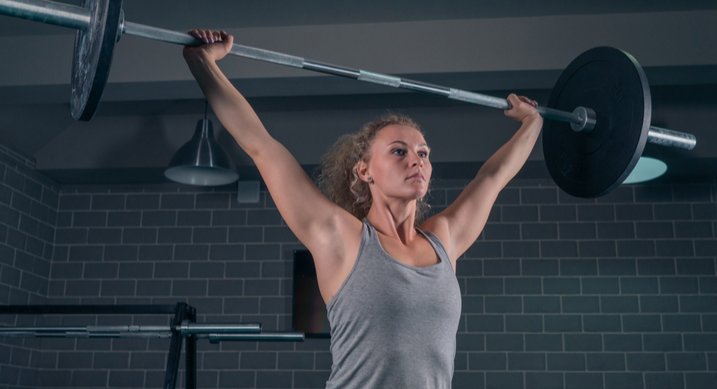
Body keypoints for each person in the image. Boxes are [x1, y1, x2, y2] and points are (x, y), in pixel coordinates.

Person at [183, 29, 543, 389]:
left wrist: (533, 122)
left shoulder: (443, 240)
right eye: (399, 151)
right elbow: (261, 146)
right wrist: (203, 63)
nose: (416, 160)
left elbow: (493, 176)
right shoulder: (341, 239)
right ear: (364, 170)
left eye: (423, 153)